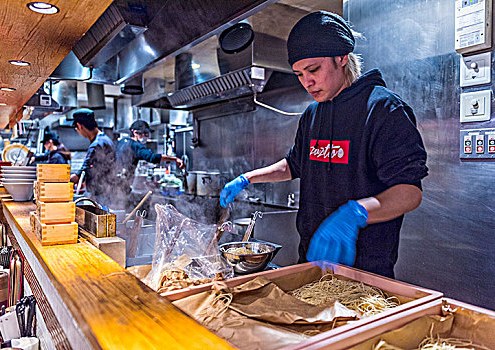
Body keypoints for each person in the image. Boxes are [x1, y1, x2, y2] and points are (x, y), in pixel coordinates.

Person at [220, 11, 428, 278]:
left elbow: (410, 192)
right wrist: (247, 178)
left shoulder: (383, 110)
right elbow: (294, 165)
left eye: (313, 69)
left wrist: (356, 213)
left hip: (364, 272)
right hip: (311, 262)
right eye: (298, 74)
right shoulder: (312, 114)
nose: (307, 82)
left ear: (341, 58)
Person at [69, 108, 117, 206]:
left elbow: (84, 168)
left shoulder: (97, 144)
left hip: (102, 195)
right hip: (108, 192)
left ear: (80, 126)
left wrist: (71, 179)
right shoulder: (104, 139)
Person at [116, 120, 185, 187]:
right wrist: (175, 159)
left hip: (115, 180)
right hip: (123, 183)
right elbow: (152, 157)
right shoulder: (135, 145)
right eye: (145, 134)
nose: (147, 136)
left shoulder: (122, 142)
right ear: (135, 132)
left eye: (147, 134)